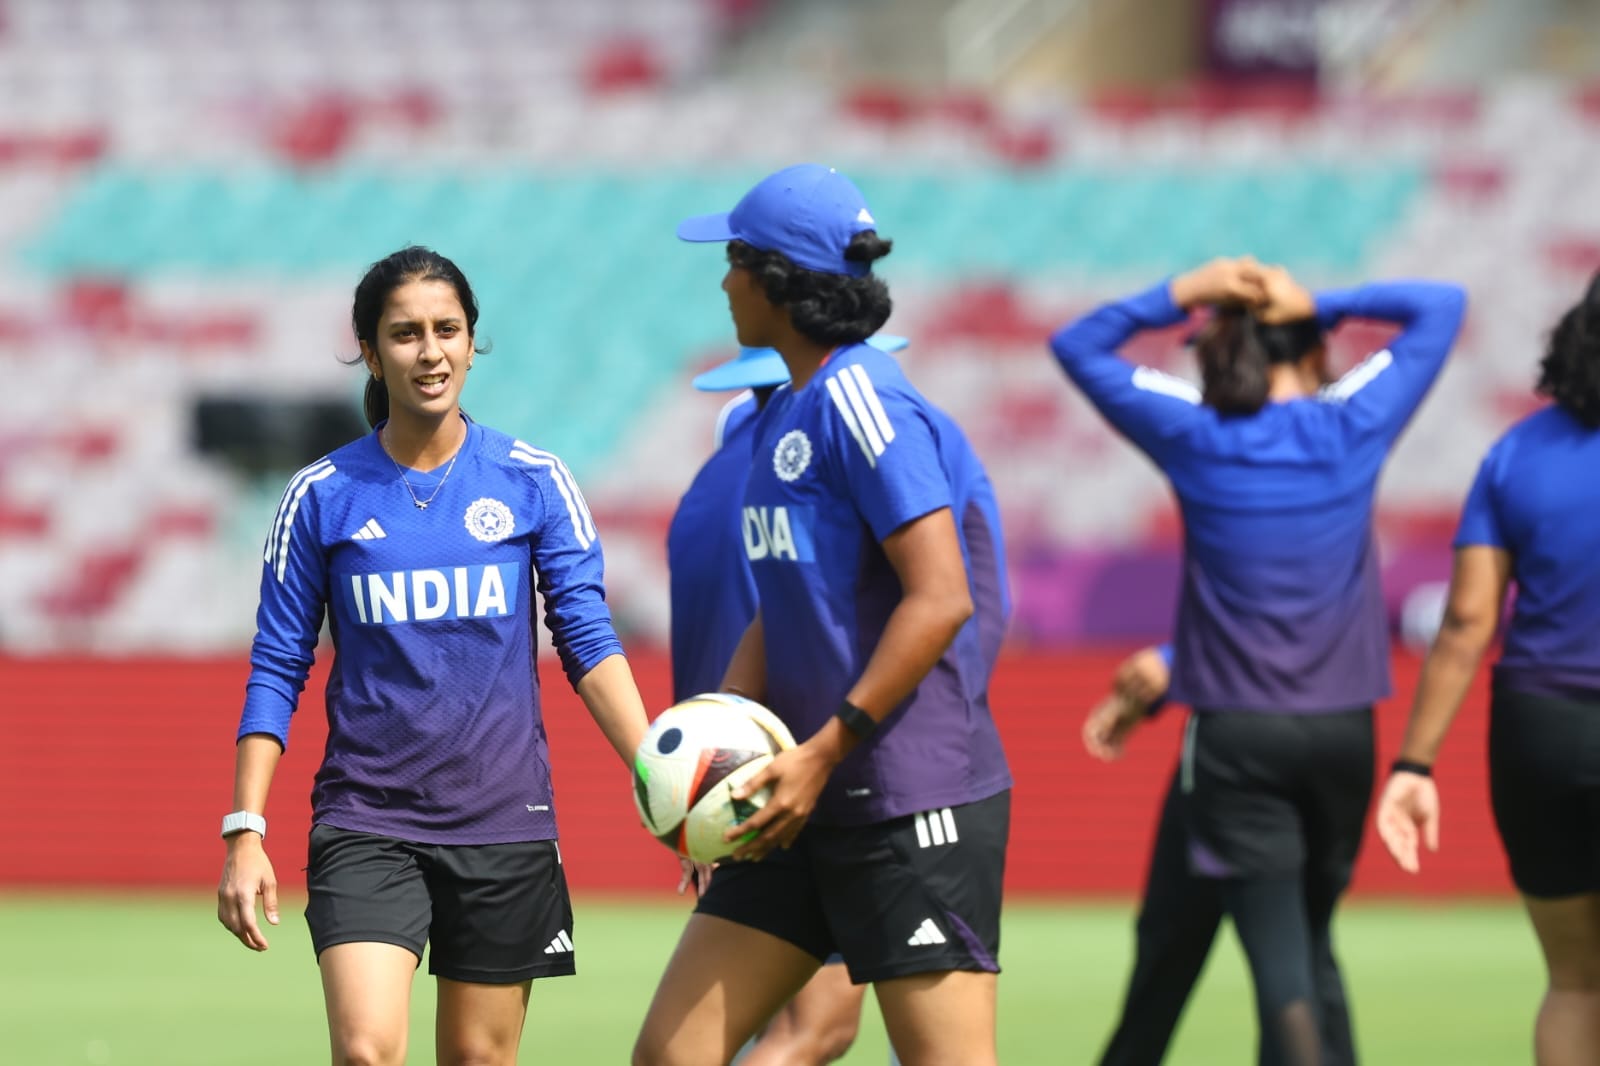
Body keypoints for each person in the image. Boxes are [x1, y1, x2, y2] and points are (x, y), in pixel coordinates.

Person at [215, 246, 653, 1066]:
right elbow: (277, 665)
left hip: (504, 822)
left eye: (447, 330)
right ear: (371, 351)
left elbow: (588, 641)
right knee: (367, 1051)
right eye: (405, 333)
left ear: (472, 343)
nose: (430, 351)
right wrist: (245, 829)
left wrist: (661, 776)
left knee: (479, 1059)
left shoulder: (533, 480)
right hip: (366, 823)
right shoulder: (321, 495)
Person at [635, 163, 1013, 1066]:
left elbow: (942, 596)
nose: (723, 283)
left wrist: (826, 749)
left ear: (776, 280)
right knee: (671, 1056)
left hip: (907, 801)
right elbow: (784, 600)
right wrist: (721, 727)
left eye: (734, 260)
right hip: (793, 801)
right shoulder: (787, 412)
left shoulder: (865, 399)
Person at [1051, 258, 1466, 1066]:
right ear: (1309, 346)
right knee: (1295, 946)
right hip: (1343, 734)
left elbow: (1078, 344)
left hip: (1237, 740)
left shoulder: (1198, 433)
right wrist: (1317, 304)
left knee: (1281, 970)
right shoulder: (1351, 424)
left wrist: (1186, 290)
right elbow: (1441, 303)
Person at [1376, 272, 1600, 1066]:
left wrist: (1414, 764)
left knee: (1575, 982)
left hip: (1540, 733)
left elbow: (1469, 621)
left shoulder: (1514, 454)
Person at [667, 334, 910, 1066]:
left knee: (743, 1027)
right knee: (814, 1028)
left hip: (722, 777)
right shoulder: (797, 488)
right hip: (797, 781)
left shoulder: (709, 488)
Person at [1082, 644, 1229, 1066]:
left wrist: (1172, 660)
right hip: (1329, 734)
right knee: (1299, 962)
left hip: (1231, 753)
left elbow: (1245, 620)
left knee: (1170, 950)